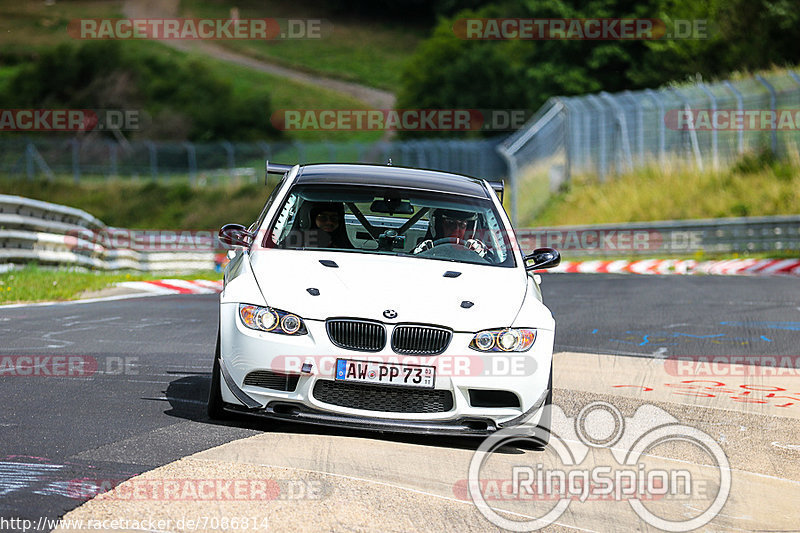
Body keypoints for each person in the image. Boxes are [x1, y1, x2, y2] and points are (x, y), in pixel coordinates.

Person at [412, 208, 487, 257]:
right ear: (439, 226)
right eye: (450, 223)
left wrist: (479, 256)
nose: (456, 229)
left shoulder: (477, 251)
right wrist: (420, 254)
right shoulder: (425, 249)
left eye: (462, 225)